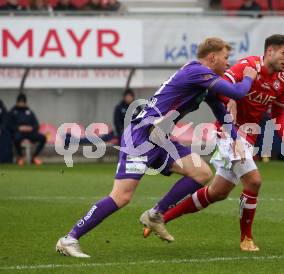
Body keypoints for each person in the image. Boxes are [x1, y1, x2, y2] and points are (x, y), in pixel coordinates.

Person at [55, 37, 258, 258]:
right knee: (121, 196)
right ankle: (69, 239)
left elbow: (221, 111)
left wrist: (236, 139)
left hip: (159, 136)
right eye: (226, 58)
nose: (229, 64)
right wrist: (248, 77)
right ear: (212, 57)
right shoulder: (197, 72)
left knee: (201, 172)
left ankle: (155, 214)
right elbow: (237, 93)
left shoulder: (203, 80)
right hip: (141, 135)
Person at [143, 34, 284, 252]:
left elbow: (278, 113)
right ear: (270, 51)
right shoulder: (246, 66)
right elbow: (219, 86)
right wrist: (231, 102)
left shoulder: (283, 80)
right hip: (229, 132)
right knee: (254, 181)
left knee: (217, 192)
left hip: (249, 136)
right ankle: (246, 238)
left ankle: (161, 217)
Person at [9, 93, 46, 166]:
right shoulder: (12, 112)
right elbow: (9, 126)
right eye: (20, 102)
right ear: (17, 102)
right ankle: (21, 157)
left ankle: (34, 157)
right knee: (16, 138)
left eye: (23, 102)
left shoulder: (29, 112)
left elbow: (36, 125)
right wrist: (19, 128)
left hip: (29, 133)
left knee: (43, 138)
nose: (22, 104)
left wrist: (31, 128)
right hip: (19, 133)